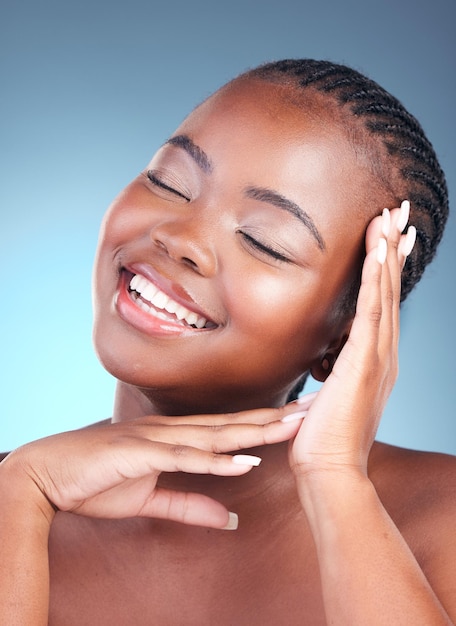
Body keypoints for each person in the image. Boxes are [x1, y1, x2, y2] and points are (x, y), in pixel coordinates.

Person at [0, 58, 454, 625]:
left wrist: (335, 476)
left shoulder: (443, 519)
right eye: (169, 181)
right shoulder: (12, 494)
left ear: (349, 331)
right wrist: (20, 496)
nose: (180, 237)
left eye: (265, 242)